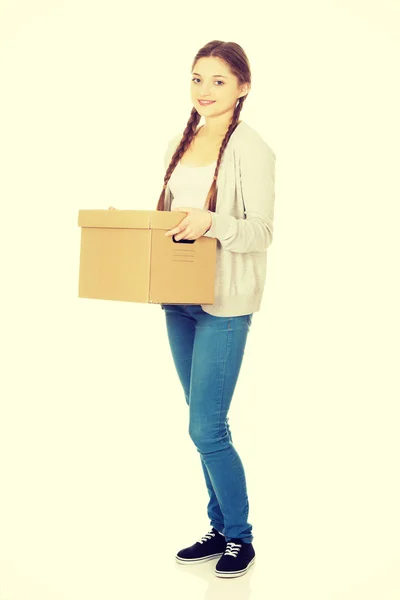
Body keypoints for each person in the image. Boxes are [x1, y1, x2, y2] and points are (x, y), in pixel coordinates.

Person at [155, 40, 276, 579]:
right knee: (198, 422)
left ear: (242, 87)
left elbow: (261, 232)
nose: (204, 91)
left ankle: (241, 537)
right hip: (178, 298)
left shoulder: (251, 147)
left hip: (224, 301)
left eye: (218, 81)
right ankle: (219, 526)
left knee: (208, 428)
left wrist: (213, 222)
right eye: (197, 79)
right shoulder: (181, 142)